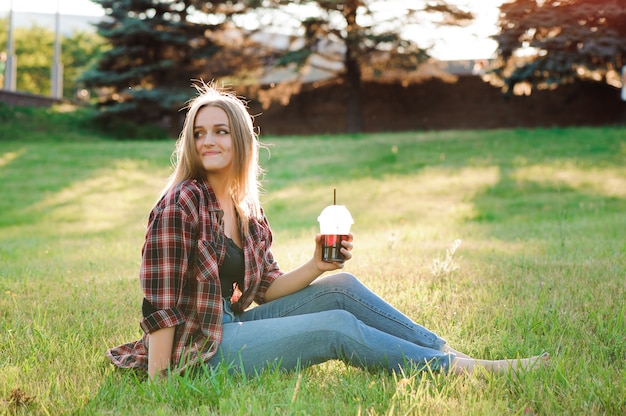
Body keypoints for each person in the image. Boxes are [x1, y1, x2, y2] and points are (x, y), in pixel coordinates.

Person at [107, 83, 549, 379]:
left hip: (230, 325)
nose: (208, 141)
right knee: (334, 327)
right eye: (199, 133)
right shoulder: (181, 201)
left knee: (340, 286)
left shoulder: (245, 210)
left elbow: (265, 289)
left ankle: (447, 355)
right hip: (201, 348)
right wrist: (162, 381)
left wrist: (318, 265)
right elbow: (159, 302)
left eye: (220, 131)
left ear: (241, 139)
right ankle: (461, 369)